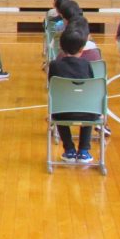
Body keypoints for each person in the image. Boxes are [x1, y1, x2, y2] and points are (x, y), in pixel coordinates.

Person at [47, 26, 98, 163]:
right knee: (88, 107)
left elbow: (52, 87)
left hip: (62, 112)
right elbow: (91, 87)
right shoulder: (86, 64)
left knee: (58, 110)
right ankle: (83, 151)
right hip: (87, 112)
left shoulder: (54, 65)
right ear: (82, 49)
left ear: (61, 47)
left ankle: (69, 149)